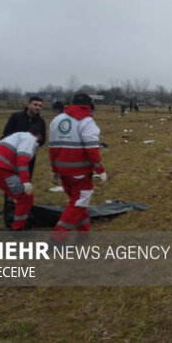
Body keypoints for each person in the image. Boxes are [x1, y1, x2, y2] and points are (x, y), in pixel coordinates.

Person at [49, 93, 107, 242]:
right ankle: (57, 238)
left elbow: (53, 147)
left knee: (79, 202)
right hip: (80, 172)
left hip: (63, 171)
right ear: (88, 106)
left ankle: (83, 235)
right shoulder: (86, 121)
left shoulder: (57, 120)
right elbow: (92, 149)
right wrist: (100, 170)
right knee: (78, 204)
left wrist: (54, 171)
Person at [0, 125, 44, 231]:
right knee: (25, 196)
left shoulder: (14, 137)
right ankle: (18, 229)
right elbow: (22, 159)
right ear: (39, 136)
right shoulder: (30, 139)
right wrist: (25, 181)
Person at [0, 96, 47, 229]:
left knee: (25, 181)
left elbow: (43, 140)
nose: (38, 107)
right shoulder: (16, 117)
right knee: (10, 182)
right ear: (28, 104)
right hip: (12, 156)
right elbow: (6, 133)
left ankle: (21, 208)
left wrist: (33, 141)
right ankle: (8, 208)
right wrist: (23, 136)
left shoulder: (41, 122)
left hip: (28, 157)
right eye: (35, 104)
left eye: (40, 105)